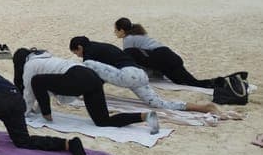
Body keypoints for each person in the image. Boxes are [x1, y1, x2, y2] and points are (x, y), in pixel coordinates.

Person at [12, 48, 159, 131]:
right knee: (102, 121)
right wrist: (37, 108)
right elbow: (49, 88)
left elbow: (29, 93)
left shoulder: (30, 65)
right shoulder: (46, 58)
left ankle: (47, 114)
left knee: (36, 81)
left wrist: (22, 114)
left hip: (78, 77)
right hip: (91, 78)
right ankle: (145, 116)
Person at [68, 36, 218, 114]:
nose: (78, 55)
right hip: (139, 75)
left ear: (80, 47)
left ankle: (69, 93)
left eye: (76, 52)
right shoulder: (101, 46)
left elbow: (93, 74)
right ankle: (203, 107)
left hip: (126, 75)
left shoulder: (89, 54)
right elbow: (103, 75)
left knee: (86, 67)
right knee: (159, 104)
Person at [113, 17, 246, 88]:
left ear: (122, 30)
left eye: (116, 30)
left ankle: (224, 82)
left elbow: (129, 60)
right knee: (189, 82)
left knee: (129, 54)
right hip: (170, 56)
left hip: (164, 58)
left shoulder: (128, 39)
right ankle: (220, 82)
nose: (115, 33)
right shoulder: (138, 33)